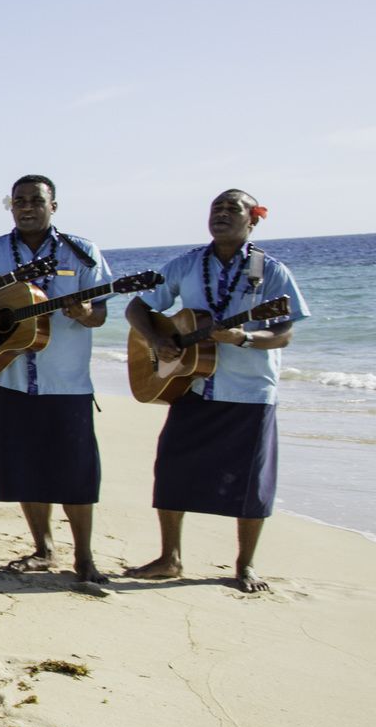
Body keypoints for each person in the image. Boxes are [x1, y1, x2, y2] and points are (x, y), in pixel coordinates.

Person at [123, 190, 309, 593]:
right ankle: (169, 558)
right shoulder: (187, 264)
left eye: (233, 209)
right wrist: (156, 339)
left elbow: (283, 332)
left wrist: (243, 337)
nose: (222, 214)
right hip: (193, 385)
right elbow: (136, 307)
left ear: (253, 221)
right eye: (216, 209)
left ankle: (245, 566)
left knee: (250, 482)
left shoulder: (270, 271)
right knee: (171, 468)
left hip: (250, 390)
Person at [0, 175, 113, 584]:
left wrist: (85, 313)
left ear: (53, 205)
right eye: (18, 200)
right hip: (9, 376)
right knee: (26, 466)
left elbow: (101, 313)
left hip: (66, 381)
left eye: (36, 200)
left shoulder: (82, 252)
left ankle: (85, 558)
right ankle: (43, 548)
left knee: (76, 471)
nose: (26, 207)